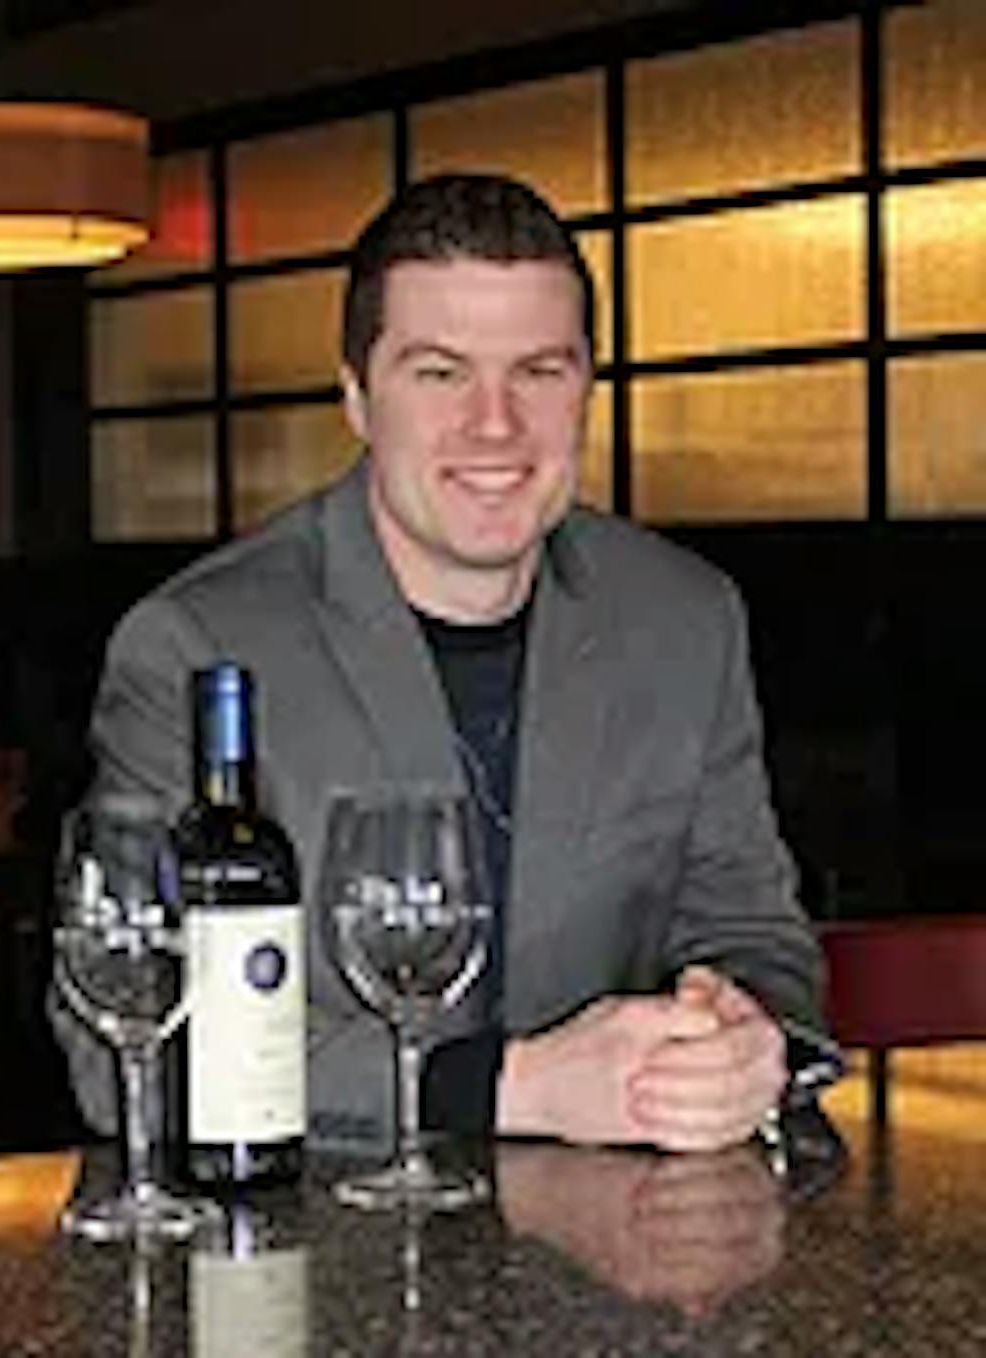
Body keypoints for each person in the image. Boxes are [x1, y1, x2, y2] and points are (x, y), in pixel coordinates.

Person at [58, 172, 834, 1154]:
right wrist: (515, 1087)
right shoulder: (197, 645)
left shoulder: (686, 618)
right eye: (439, 372)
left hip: (626, 1266)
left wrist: (744, 1042)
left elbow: (755, 931)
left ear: (589, 384)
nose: (496, 425)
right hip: (313, 1262)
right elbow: (119, 1043)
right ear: (356, 394)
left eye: (541, 371)